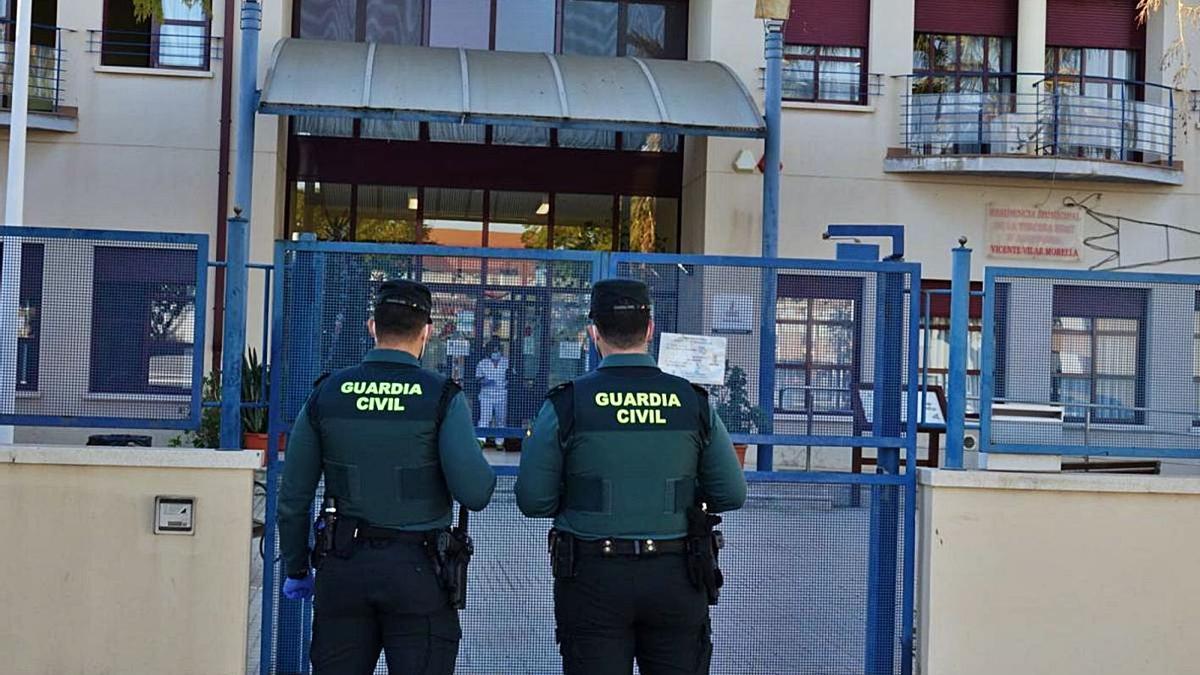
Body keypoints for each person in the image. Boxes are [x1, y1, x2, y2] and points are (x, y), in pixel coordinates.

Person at [515, 278, 747, 675]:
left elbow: (533, 499)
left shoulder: (568, 402)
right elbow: (731, 492)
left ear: (593, 333)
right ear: (650, 329)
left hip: (593, 577)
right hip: (676, 575)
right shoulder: (691, 401)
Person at [278, 279, 496, 675]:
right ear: (427, 331)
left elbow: (293, 497)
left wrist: (297, 569)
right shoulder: (442, 396)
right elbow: (476, 491)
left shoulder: (327, 393)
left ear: (372, 327)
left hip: (343, 568)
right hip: (419, 573)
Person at [474, 338, 509, 447]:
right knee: (484, 418)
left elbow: (511, 377)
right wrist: (485, 381)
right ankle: (481, 441)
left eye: (497, 350)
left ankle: (500, 442)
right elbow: (478, 379)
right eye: (493, 351)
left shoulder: (506, 362)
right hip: (486, 396)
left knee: (501, 419)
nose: (496, 353)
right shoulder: (483, 363)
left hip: (502, 396)